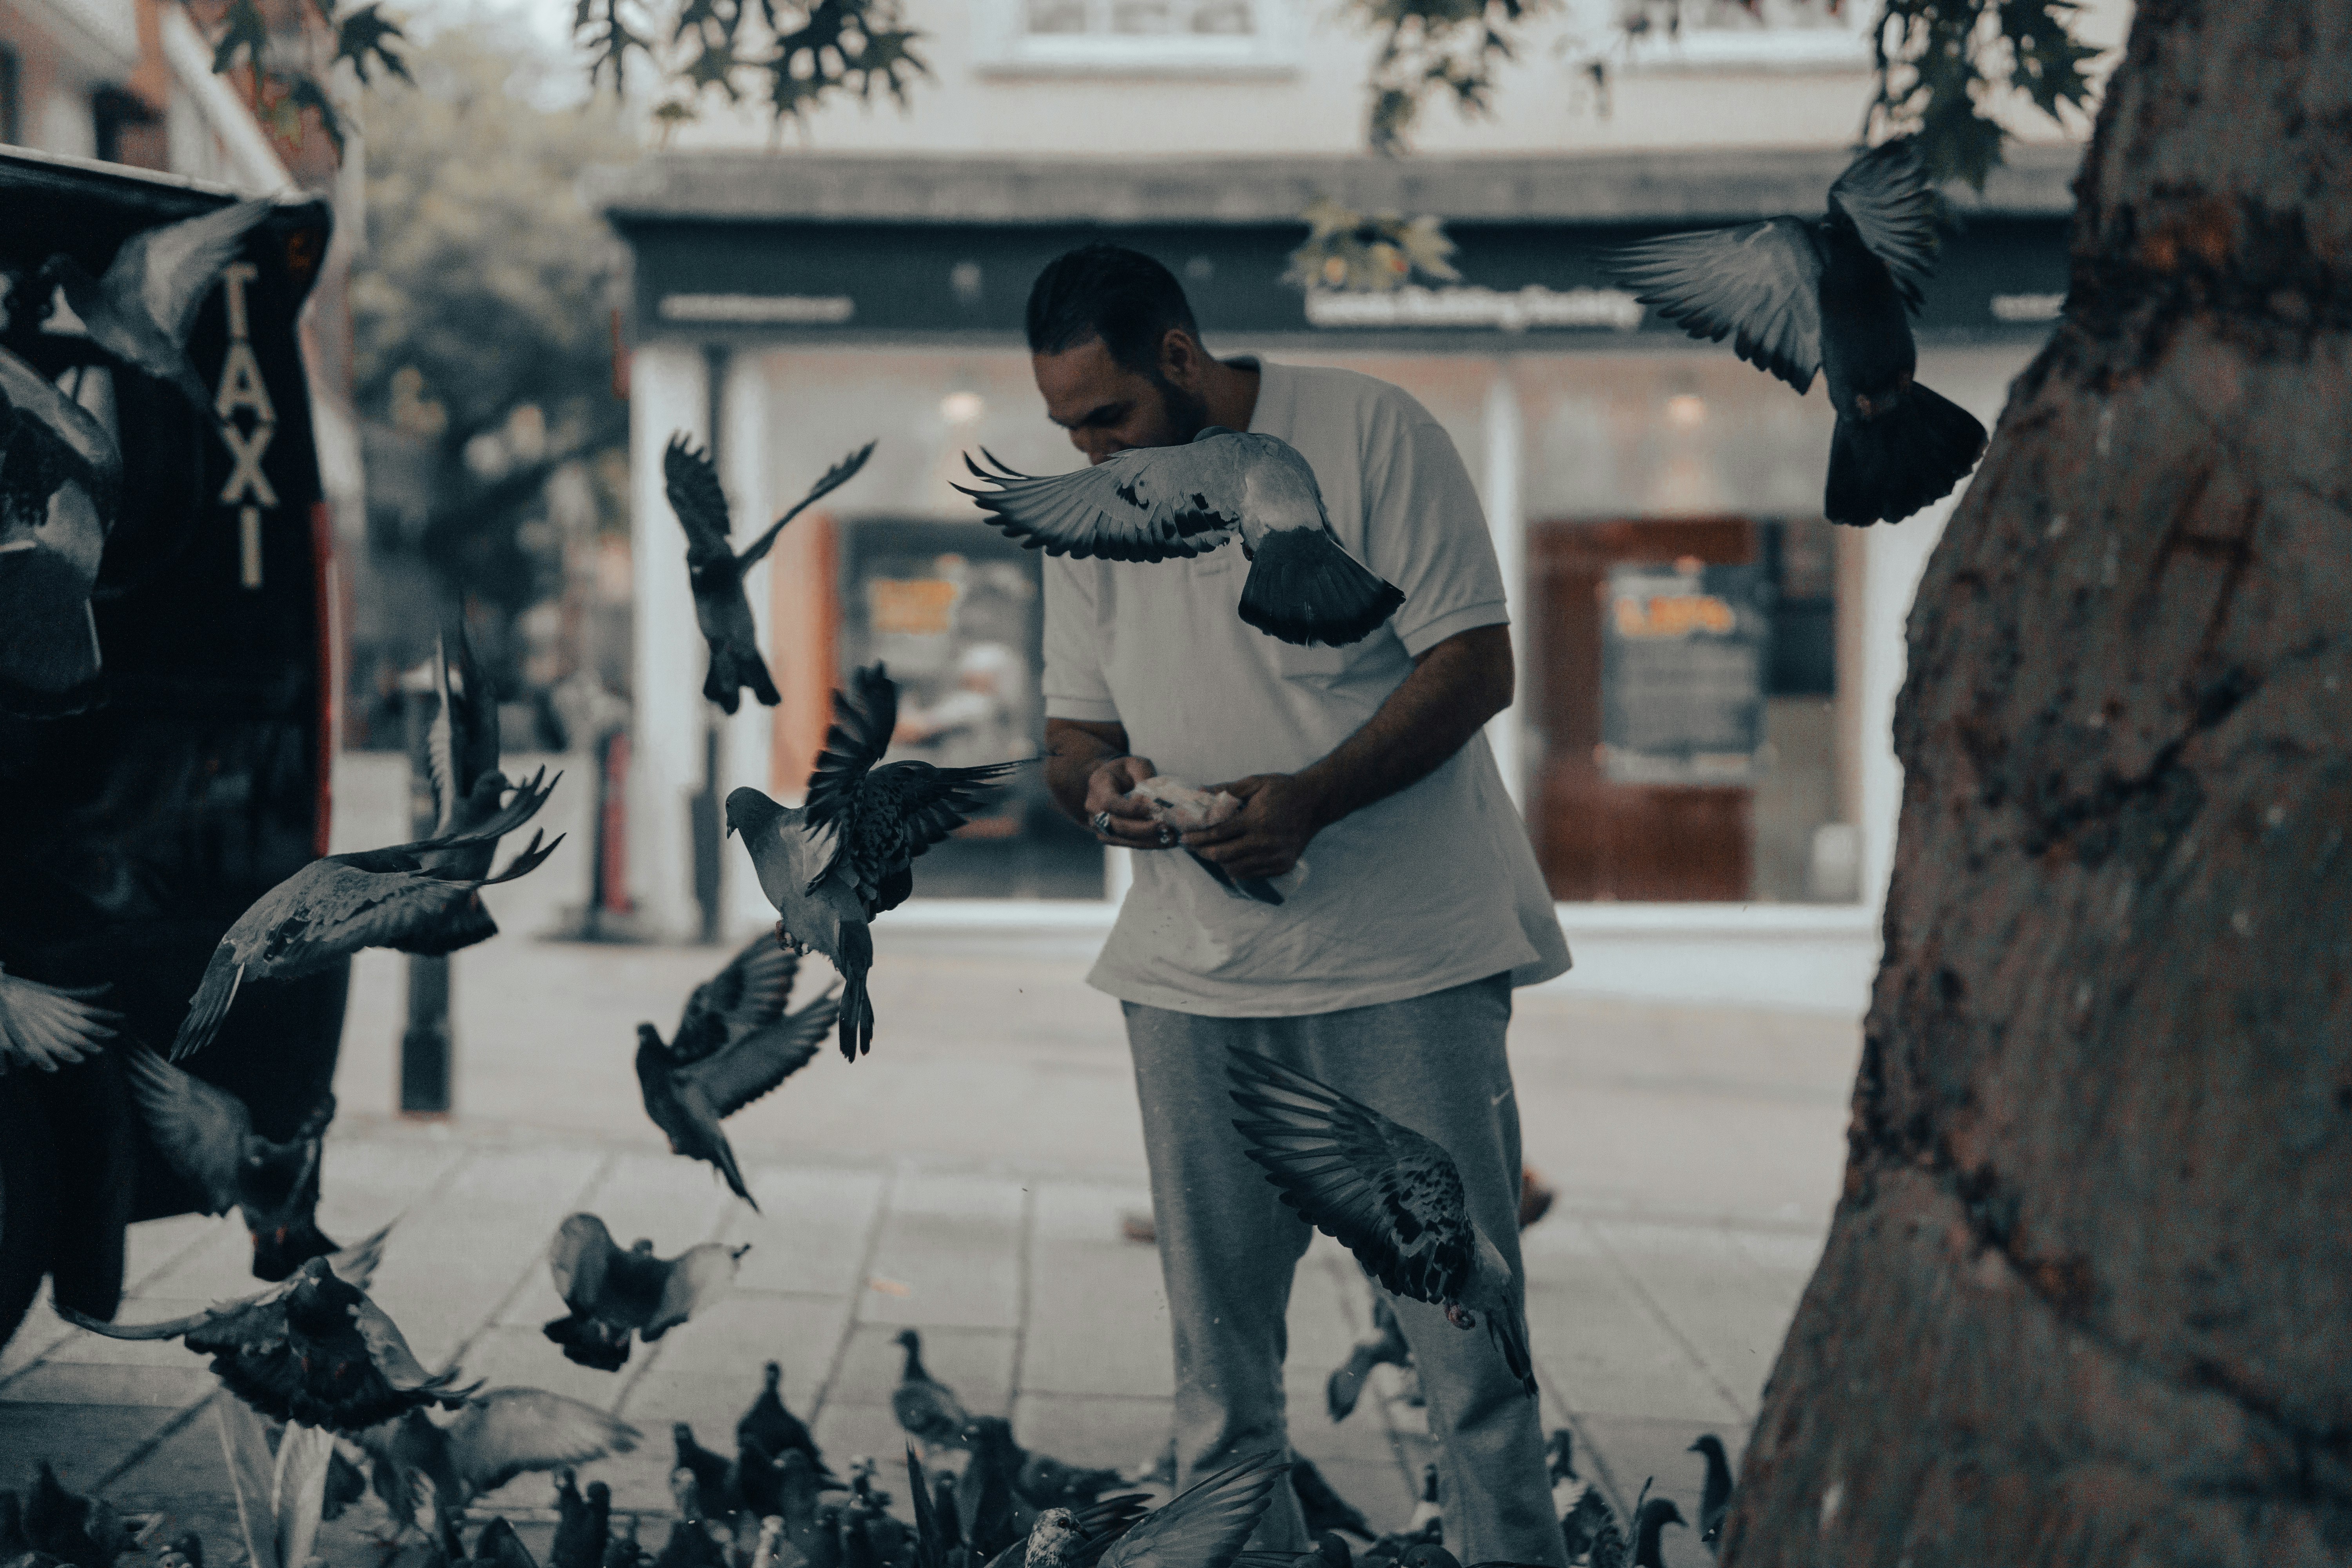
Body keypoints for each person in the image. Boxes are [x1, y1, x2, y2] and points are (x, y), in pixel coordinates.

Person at [1026, 243, 1572, 1567]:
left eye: (1108, 417)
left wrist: (1311, 801)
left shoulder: (1372, 428)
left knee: (1471, 1364)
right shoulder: (1093, 506)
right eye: (1066, 430)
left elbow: (1478, 662)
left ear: (1178, 355)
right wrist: (1106, 790)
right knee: (1219, 1397)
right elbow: (1069, 732)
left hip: (1408, 960)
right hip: (1189, 978)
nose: (1093, 455)